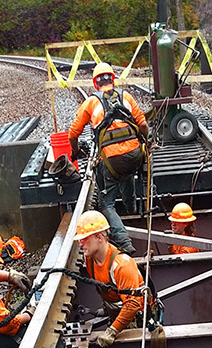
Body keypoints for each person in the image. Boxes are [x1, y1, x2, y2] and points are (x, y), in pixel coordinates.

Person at [69, 62, 149, 255]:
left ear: (96, 83)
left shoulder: (91, 102)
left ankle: (123, 240)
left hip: (112, 161)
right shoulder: (126, 97)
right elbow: (144, 125)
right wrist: (147, 143)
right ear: (113, 79)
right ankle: (131, 209)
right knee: (127, 172)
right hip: (135, 155)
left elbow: (73, 134)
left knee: (107, 203)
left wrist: (75, 151)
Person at [74, 210, 156, 348]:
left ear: (99, 237)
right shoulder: (90, 261)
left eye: (85, 239)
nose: (81, 244)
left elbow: (132, 304)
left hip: (137, 318)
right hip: (117, 312)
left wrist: (112, 330)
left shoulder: (121, 265)